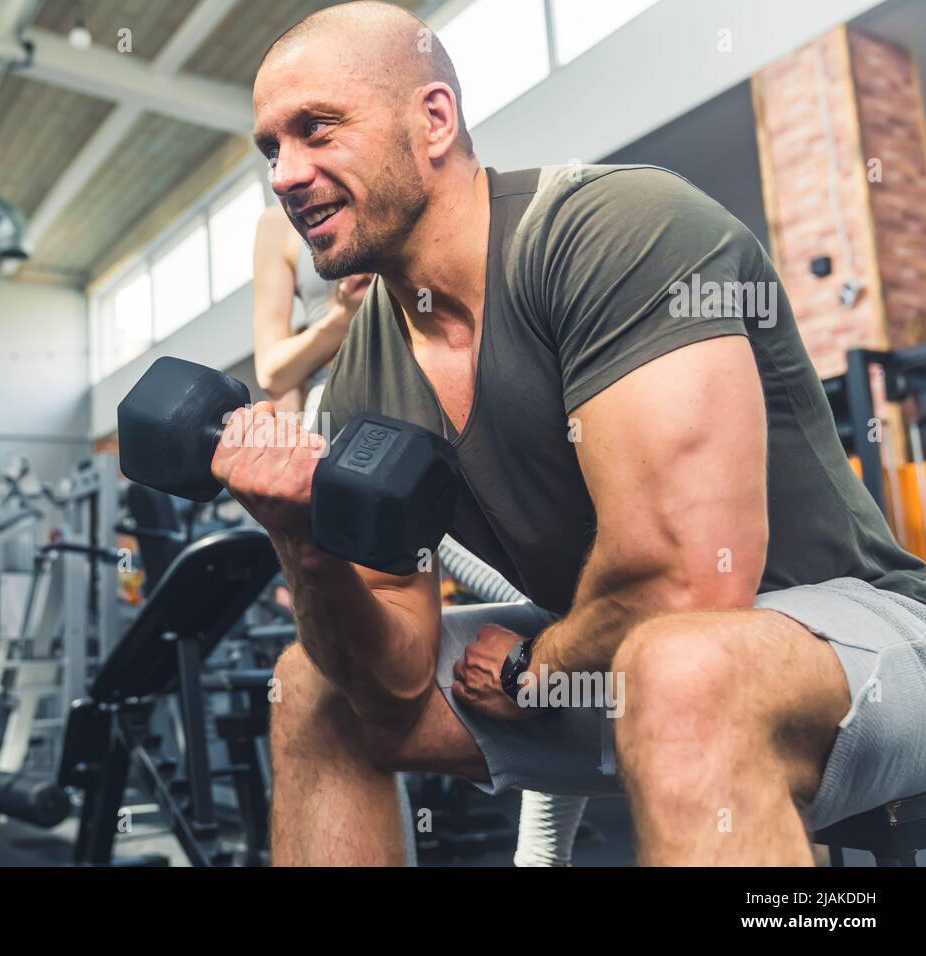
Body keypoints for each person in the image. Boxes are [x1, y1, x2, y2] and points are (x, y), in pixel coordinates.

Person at [209, 0, 926, 865]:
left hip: (865, 646)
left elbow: (688, 582)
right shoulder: (365, 375)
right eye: (271, 149)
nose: (286, 174)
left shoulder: (613, 228)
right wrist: (304, 545)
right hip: (617, 662)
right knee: (314, 688)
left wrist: (536, 667)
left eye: (317, 129)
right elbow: (393, 686)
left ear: (433, 120)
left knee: (684, 666)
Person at [251, 203, 371, 426]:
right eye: (274, 165)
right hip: (333, 395)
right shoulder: (276, 223)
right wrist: (346, 316)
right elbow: (271, 374)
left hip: (419, 370)